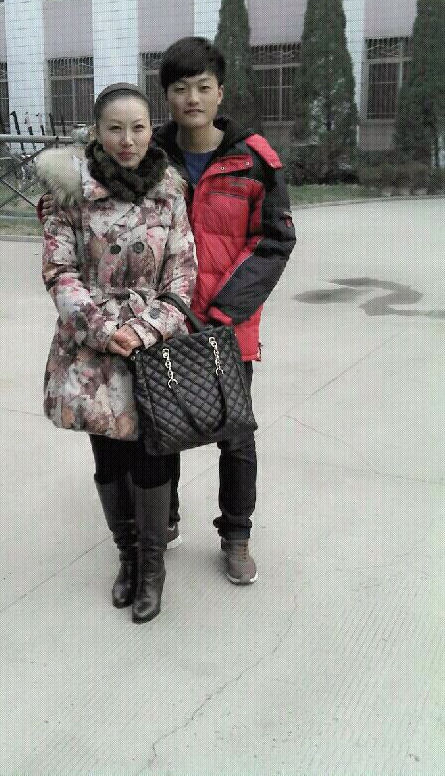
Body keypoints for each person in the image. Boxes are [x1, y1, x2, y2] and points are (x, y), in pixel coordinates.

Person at [37, 83, 197, 623]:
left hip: (154, 349)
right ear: (96, 133)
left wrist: (148, 328)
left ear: (152, 131)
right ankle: (127, 557)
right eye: (115, 128)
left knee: (153, 456)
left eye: (138, 127)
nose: (127, 139)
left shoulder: (170, 192)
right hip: (93, 350)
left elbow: (183, 273)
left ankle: (153, 567)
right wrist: (106, 330)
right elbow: (59, 271)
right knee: (108, 458)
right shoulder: (68, 193)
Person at [152, 37, 296, 585]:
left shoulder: (254, 159)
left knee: (234, 434)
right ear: (167, 96)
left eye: (203, 87)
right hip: (162, 319)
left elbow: (273, 241)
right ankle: (163, 520)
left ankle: (236, 536)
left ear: (220, 93)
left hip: (228, 326)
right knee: (160, 424)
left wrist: (222, 311)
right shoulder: (149, 155)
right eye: (180, 88)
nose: (192, 98)